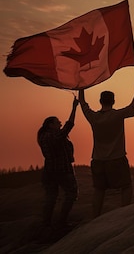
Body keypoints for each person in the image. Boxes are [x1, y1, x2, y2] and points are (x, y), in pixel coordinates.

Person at [78, 82, 134, 218]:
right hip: (117, 158)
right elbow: (133, 108)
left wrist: (81, 88)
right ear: (113, 101)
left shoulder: (93, 117)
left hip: (98, 159)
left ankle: (95, 217)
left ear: (100, 101)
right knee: (126, 187)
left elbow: (83, 104)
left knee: (99, 190)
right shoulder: (117, 115)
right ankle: (124, 214)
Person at [37, 97, 79, 229]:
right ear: (50, 125)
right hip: (61, 171)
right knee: (71, 194)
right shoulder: (53, 136)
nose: (60, 124)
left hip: (50, 172)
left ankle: (46, 223)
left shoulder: (44, 136)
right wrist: (74, 107)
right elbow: (69, 125)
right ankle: (61, 222)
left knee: (51, 197)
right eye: (57, 122)